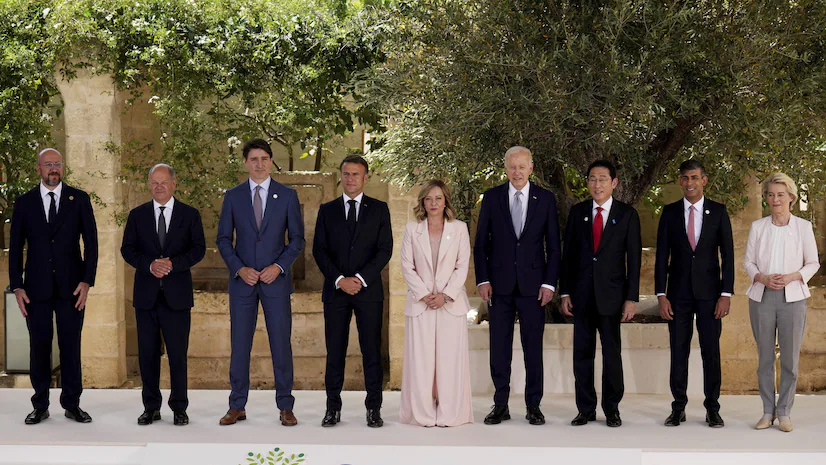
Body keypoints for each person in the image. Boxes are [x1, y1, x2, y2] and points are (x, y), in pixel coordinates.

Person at [216, 139, 305, 426]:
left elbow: (297, 240)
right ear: (245, 162)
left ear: (271, 161)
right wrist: (239, 269)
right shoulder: (233, 196)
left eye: (264, 158)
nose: (259, 164)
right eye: (254, 159)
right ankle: (237, 405)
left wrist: (278, 267)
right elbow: (223, 239)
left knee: (281, 344)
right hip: (243, 283)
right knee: (240, 345)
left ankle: (286, 406)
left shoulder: (287, 196)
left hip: (275, 283)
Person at [9, 148, 98, 425]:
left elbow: (92, 243)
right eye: (48, 164)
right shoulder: (24, 202)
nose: (53, 168)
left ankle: (72, 404)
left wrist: (87, 281)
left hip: (72, 288)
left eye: (57, 164)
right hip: (35, 289)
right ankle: (40, 404)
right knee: (39, 346)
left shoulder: (79, 199)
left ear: (63, 167)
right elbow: (15, 248)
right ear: (38, 169)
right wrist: (17, 286)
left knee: (71, 345)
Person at [473, 146, 561, 426]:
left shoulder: (545, 199)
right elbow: (481, 244)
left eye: (522, 167)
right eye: (512, 166)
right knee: (499, 348)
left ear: (531, 168)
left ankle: (533, 406)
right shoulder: (492, 197)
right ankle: (500, 404)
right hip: (498, 287)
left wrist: (549, 283)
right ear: (505, 168)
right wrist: (483, 279)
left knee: (533, 349)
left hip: (534, 288)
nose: (517, 172)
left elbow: (554, 247)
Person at [120, 163, 206, 426]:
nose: (159, 186)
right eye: (154, 182)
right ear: (149, 185)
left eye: (164, 182)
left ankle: (179, 408)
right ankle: (151, 408)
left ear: (174, 184)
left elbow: (198, 249)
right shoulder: (137, 215)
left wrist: (172, 264)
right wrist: (149, 265)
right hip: (146, 297)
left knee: (178, 355)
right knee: (147, 355)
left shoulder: (190, 215)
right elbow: (127, 249)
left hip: (177, 297)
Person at [313, 154, 392, 428]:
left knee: (372, 352)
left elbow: (385, 250)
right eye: (346, 174)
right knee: (335, 351)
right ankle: (332, 409)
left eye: (355, 174)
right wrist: (339, 280)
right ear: (341, 177)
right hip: (336, 292)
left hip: (368, 292)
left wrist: (358, 278)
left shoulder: (379, 209)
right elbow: (319, 250)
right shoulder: (327, 210)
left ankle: (374, 409)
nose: (350, 179)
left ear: (365, 177)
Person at [560, 159, 641, 428]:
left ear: (614, 183)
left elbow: (634, 261)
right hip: (581, 297)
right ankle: (585, 409)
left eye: (603, 179)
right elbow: (568, 256)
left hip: (612, 298)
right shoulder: (577, 213)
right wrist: (565, 292)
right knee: (582, 355)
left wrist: (631, 298)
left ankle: (612, 409)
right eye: (593, 179)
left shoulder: (627, 215)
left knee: (611, 355)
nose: (597, 184)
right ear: (587, 183)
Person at [654, 160, 734, 428]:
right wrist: (661, 295)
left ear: (704, 180)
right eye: (685, 178)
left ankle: (713, 408)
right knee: (679, 351)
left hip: (711, 295)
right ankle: (678, 408)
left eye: (695, 178)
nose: (690, 183)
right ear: (680, 181)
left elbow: (728, 256)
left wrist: (726, 294)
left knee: (711, 352)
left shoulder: (719, 212)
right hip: (677, 295)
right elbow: (661, 256)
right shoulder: (669, 213)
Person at [744, 172, 819, 433]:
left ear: (791, 198)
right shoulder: (758, 227)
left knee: (790, 359)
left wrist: (792, 276)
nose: (775, 199)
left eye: (780, 195)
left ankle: (784, 412)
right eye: (771, 194)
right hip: (762, 298)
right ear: (766, 198)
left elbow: (813, 263)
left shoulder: (803, 227)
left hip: (793, 298)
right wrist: (762, 278)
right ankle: (768, 411)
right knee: (765, 358)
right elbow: (748, 262)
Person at [399, 180, 474, 427]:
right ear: (422, 201)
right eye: (429, 198)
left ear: (445, 201)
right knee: (420, 362)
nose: (433, 203)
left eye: (438, 198)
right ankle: (422, 414)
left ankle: (450, 413)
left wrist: (445, 295)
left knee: (449, 361)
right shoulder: (412, 229)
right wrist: (424, 294)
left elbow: (462, 266)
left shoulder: (459, 229)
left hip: (450, 305)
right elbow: (407, 266)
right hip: (420, 305)